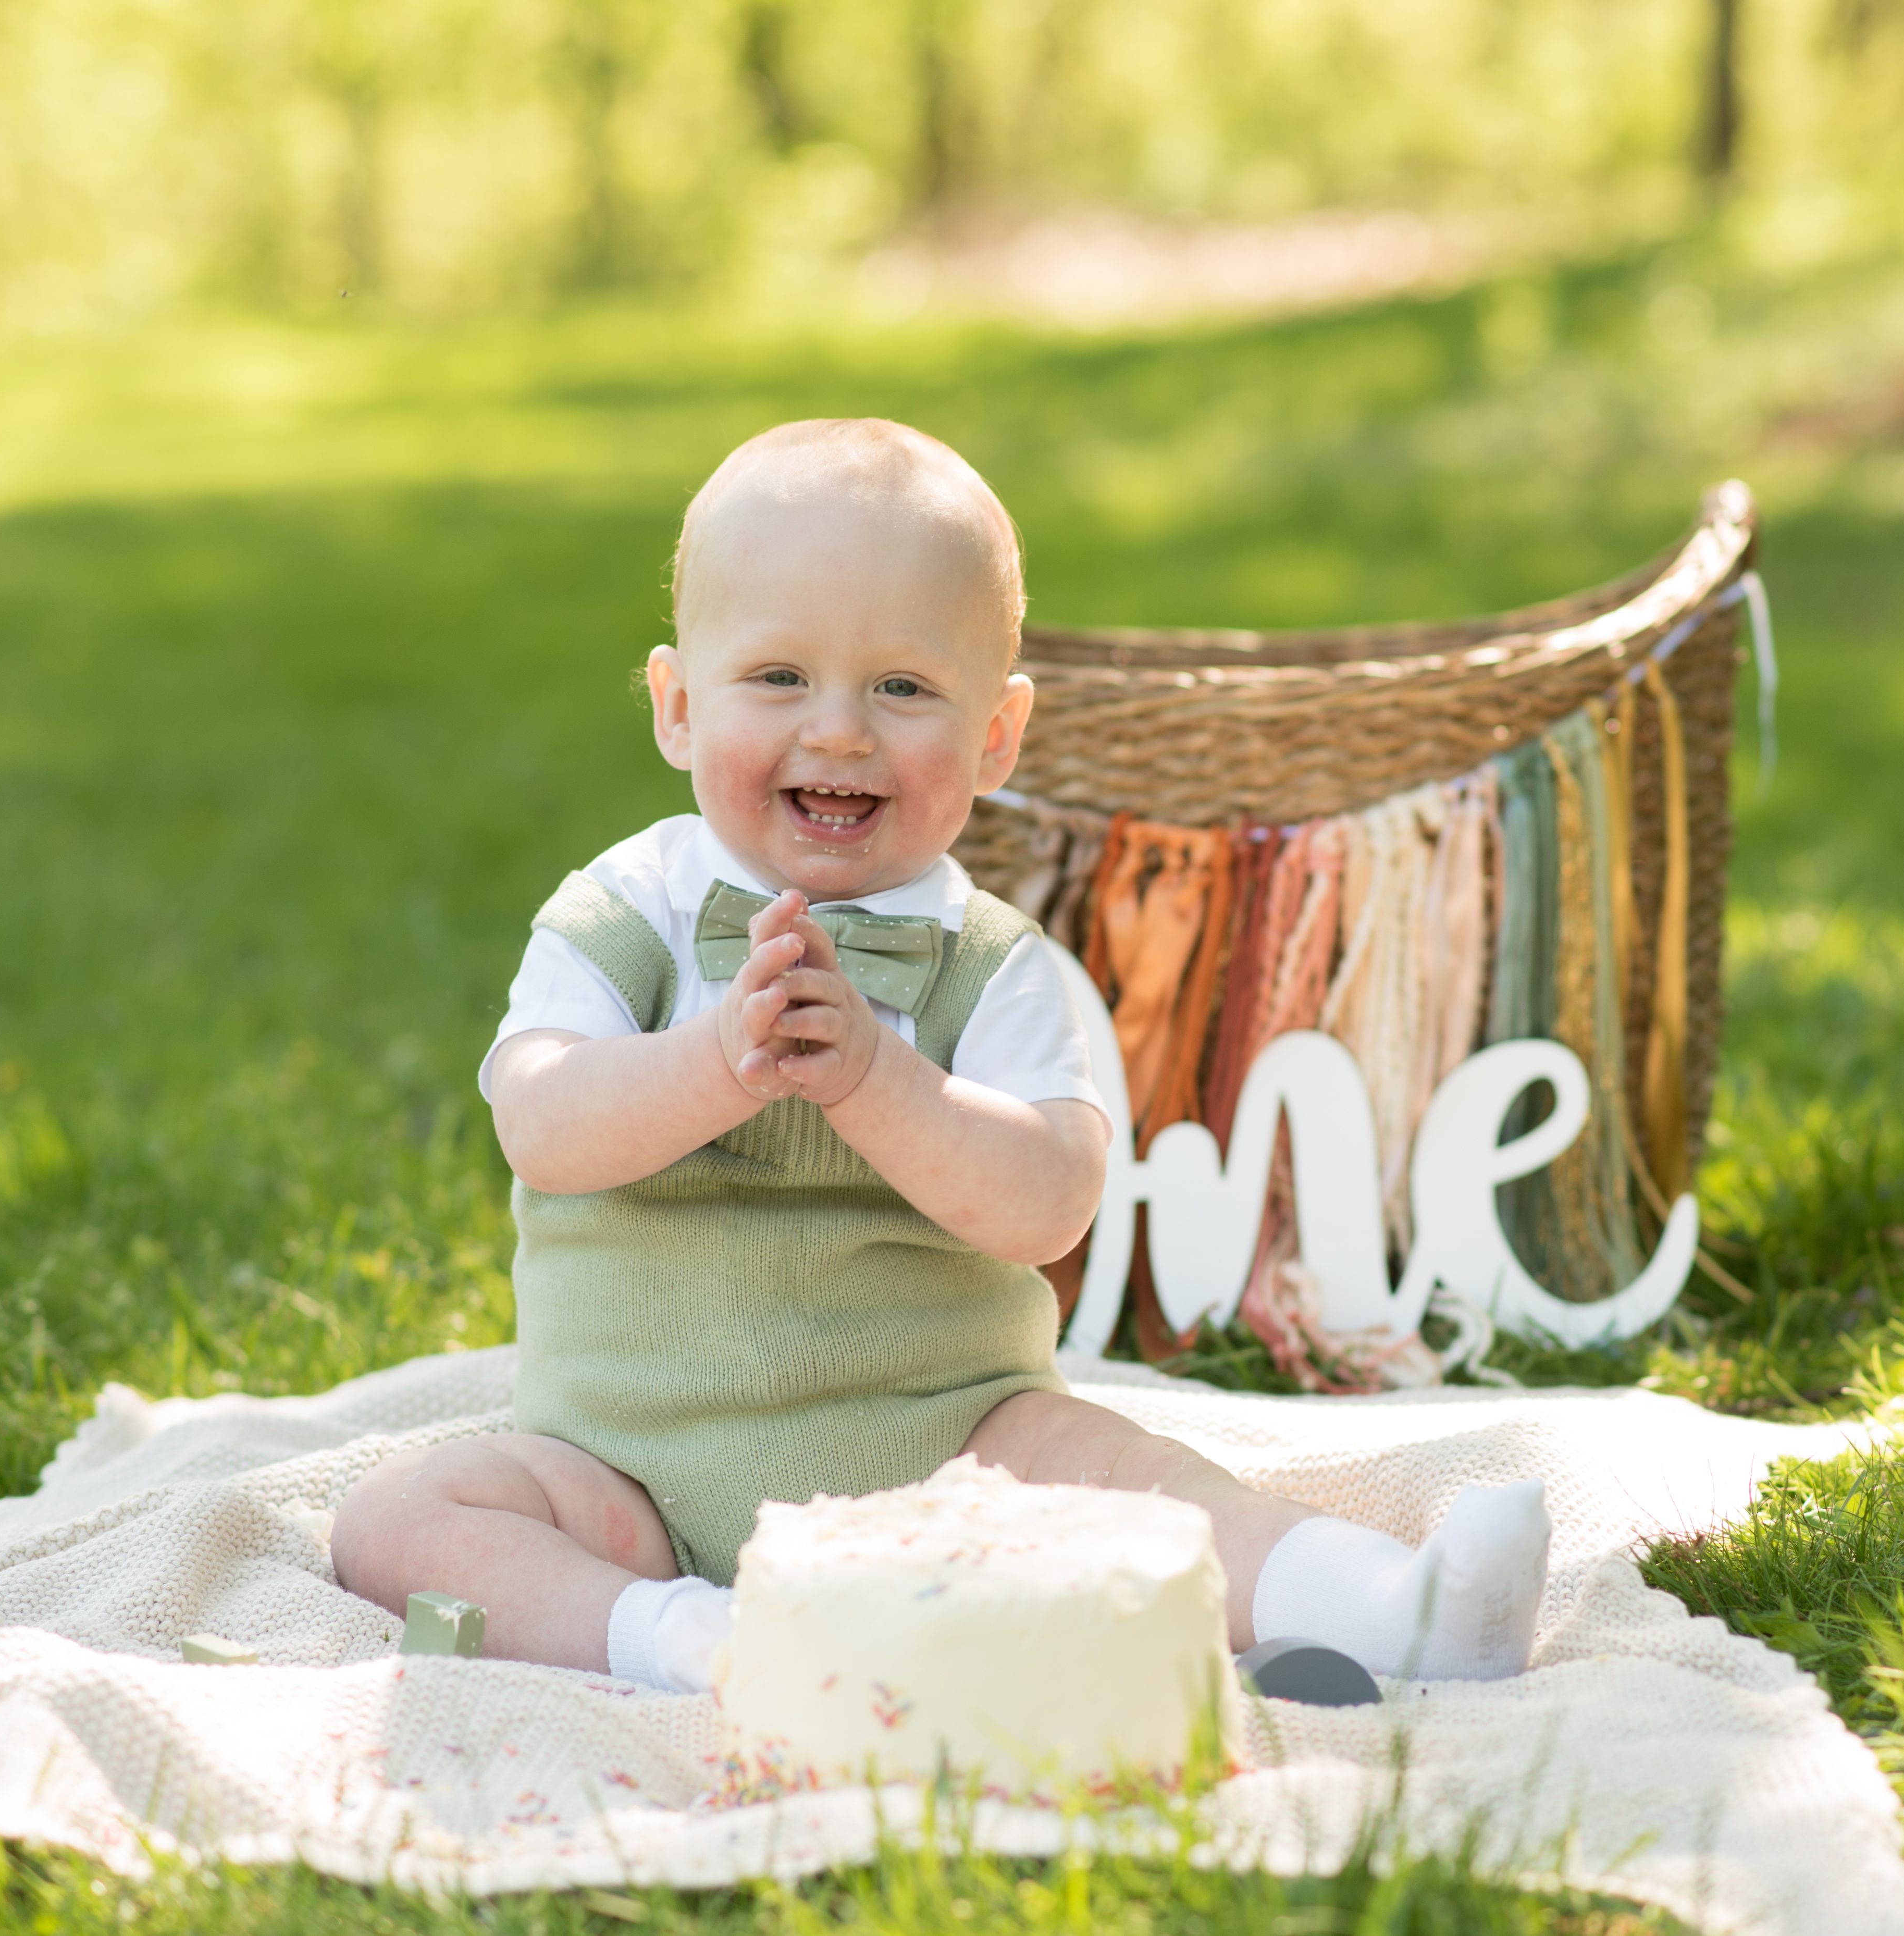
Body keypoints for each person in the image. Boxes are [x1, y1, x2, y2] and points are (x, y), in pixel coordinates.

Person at [330, 418, 1549, 1693]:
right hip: (630, 1475)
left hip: (953, 1457)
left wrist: (874, 1080)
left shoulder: (993, 961)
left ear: (997, 735)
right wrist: (714, 1064)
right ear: (678, 707)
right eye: (780, 678)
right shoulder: (622, 911)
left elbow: (1047, 1202)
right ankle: (685, 1640)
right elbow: (541, 1122)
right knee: (401, 1520)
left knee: (1132, 1479)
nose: (842, 732)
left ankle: (1385, 1603)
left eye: (904, 688)